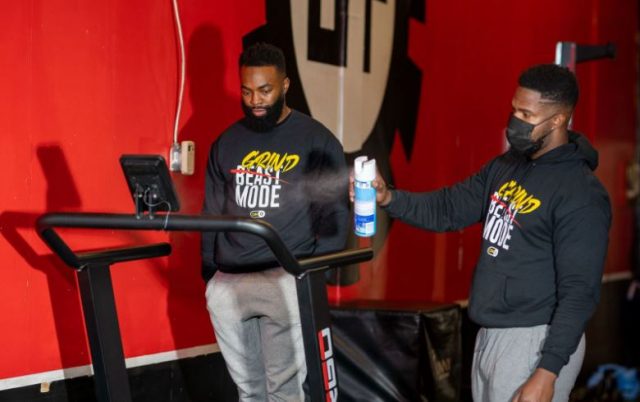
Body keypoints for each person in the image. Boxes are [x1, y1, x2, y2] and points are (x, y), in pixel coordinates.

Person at [351, 64, 612, 402]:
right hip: (490, 335)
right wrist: (388, 198)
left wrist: (547, 371)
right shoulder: (506, 166)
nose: (515, 120)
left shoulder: (581, 194)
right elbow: (447, 208)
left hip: (535, 341)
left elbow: (580, 292)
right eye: (514, 109)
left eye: (527, 114)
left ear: (558, 119)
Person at [201, 43, 349, 400]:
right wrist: (211, 275)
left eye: (265, 90)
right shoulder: (226, 142)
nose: (255, 100)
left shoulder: (316, 140)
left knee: (284, 392)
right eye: (247, 91)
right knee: (249, 392)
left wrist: (309, 279)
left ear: (285, 85)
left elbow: (334, 214)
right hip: (230, 283)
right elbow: (211, 213)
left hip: (284, 279)